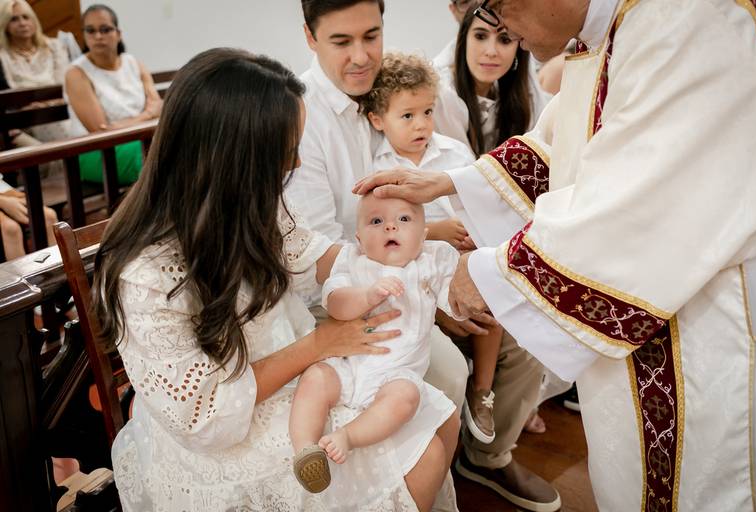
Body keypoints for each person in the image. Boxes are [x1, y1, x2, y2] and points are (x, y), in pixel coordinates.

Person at [353, 0, 756, 510]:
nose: (501, 27)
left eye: (497, 7)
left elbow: (630, 211)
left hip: (700, 333)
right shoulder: (606, 35)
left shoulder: (686, 21)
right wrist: (452, 181)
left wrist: (483, 275)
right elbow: (567, 150)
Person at [95, 47, 458, 512]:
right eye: (286, 154)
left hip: (290, 368)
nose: (296, 165)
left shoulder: (249, 206)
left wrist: (405, 259)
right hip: (228, 426)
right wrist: (321, 344)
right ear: (234, 161)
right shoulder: (145, 275)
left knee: (439, 414)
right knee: (423, 452)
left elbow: (313, 255)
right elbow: (203, 416)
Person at [361, 52, 503, 443]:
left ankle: (482, 392)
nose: (422, 124)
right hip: (413, 266)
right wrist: (435, 232)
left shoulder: (454, 153)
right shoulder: (377, 166)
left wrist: (474, 234)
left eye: (427, 111)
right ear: (378, 120)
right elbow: (381, 232)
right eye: (407, 116)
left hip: (462, 254)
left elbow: (480, 202)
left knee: (492, 287)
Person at [290, 194, 461, 511]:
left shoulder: (430, 263)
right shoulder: (352, 260)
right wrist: (367, 296)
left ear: (423, 234)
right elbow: (336, 305)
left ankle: (348, 437)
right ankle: (305, 451)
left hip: (396, 374)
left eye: (404, 219)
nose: (390, 227)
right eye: (376, 221)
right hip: (346, 364)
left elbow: (456, 302)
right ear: (358, 238)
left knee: (405, 399)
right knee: (314, 378)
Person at [432, 7, 551, 156]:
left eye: (505, 39)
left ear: (518, 48)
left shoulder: (519, 96)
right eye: (480, 36)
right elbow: (461, 165)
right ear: (463, 40)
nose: (491, 52)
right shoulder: (444, 94)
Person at [64, 4, 161, 185]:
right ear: (84, 35)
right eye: (90, 31)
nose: (98, 36)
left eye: (105, 29)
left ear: (118, 33)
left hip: (140, 140)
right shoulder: (76, 73)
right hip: (95, 151)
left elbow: (157, 107)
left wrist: (135, 120)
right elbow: (101, 131)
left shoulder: (134, 63)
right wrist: (147, 116)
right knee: (157, 153)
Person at [0, 0, 71, 145]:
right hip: (23, 121)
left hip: (60, 111)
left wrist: (46, 104)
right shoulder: (2, 56)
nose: (22, 23)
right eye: (14, 19)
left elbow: (65, 85)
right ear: (4, 25)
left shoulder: (55, 47)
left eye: (26, 17)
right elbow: (9, 97)